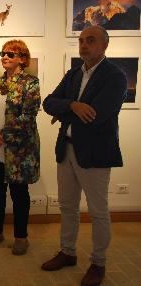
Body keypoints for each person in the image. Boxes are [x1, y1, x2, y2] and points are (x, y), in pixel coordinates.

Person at [41, 26, 127, 286]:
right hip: (66, 149)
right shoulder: (73, 74)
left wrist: (64, 111)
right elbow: (48, 103)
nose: (84, 45)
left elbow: (97, 115)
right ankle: (68, 252)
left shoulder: (116, 77)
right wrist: (72, 105)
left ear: (104, 45)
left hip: (95, 153)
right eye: (81, 40)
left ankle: (98, 263)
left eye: (90, 40)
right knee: (67, 206)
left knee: (98, 212)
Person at [0, 40, 40, 256]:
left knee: (19, 194)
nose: (5, 57)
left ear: (22, 59)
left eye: (10, 54)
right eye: (3, 53)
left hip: (18, 150)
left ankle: (21, 237)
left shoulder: (30, 83)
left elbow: (28, 116)